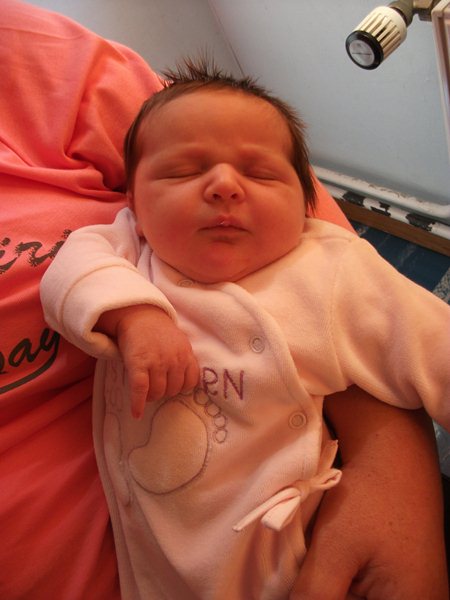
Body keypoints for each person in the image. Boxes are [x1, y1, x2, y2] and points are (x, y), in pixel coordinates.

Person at [40, 58, 450, 599]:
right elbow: (69, 271)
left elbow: (434, 345)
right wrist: (135, 315)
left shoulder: (330, 271)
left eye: (260, 174)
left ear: (306, 205)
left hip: (289, 553)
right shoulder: (130, 251)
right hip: (156, 568)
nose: (224, 186)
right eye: (183, 172)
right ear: (134, 202)